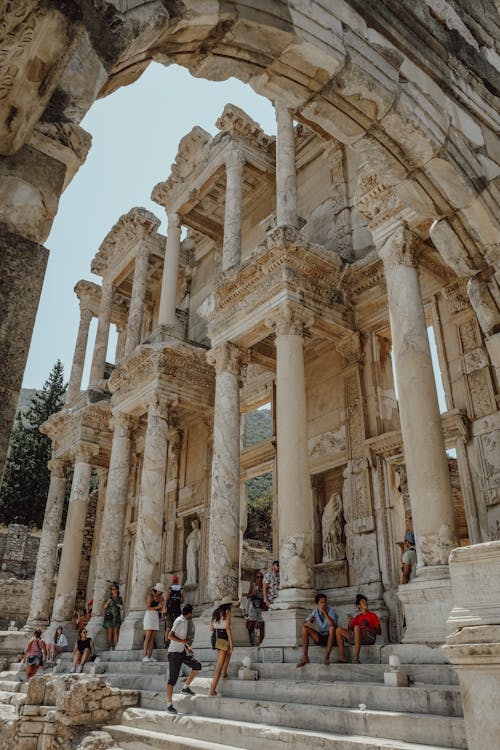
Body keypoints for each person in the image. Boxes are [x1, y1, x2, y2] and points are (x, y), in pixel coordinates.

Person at [166, 603, 201, 714]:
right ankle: (169, 705)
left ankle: (185, 687)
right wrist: (183, 642)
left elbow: (182, 638)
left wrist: (187, 646)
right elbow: (170, 635)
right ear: (190, 613)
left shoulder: (185, 621)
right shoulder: (179, 621)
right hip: (174, 654)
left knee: (197, 666)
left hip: (181, 652)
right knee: (172, 680)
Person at [335, 594, 381, 664]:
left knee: (357, 627)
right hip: (358, 638)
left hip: (369, 638)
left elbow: (379, 632)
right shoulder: (357, 617)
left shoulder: (372, 615)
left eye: (365, 601)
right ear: (358, 606)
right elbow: (351, 631)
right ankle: (342, 657)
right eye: (363, 602)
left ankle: (356, 658)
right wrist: (349, 624)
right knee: (338, 630)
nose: (365, 603)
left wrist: (367, 628)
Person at [296, 593, 338, 667]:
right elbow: (304, 624)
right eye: (321, 602)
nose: (324, 604)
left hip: (332, 638)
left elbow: (332, 624)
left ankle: (327, 657)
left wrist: (325, 613)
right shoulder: (315, 611)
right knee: (304, 629)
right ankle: (305, 657)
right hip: (321, 637)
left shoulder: (332, 610)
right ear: (317, 604)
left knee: (332, 628)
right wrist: (309, 622)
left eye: (325, 602)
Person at [209, 598, 233, 696]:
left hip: (215, 636)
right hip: (223, 637)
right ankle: (212, 690)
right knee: (219, 665)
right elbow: (227, 627)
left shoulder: (215, 612)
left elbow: (211, 628)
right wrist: (231, 642)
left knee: (228, 655)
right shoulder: (228, 611)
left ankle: (225, 673)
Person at [143, 582, 164, 662]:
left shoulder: (160, 598)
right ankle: (145, 656)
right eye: (158, 591)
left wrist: (162, 607)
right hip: (149, 616)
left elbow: (163, 604)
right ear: (155, 590)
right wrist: (158, 607)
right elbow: (148, 607)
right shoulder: (150, 596)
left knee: (152, 638)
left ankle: (150, 655)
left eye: (160, 591)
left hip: (155, 616)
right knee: (147, 637)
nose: (159, 592)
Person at [246, 571, 265, 645]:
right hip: (253, 605)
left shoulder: (264, 586)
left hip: (261, 606)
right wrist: (253, 593)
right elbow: (248, 596)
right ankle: (250, 641)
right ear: (255, 578)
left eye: (261, 577)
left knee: (262, 625)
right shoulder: (253, 586)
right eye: (258, 577)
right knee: (251, 624)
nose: (259, 578)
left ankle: (262, 642)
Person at [164, 575, 184, 646]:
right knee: (176, 627)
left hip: (170, 610)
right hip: (177, 610)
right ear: (178, 581)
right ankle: (175, 642)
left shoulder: (170, 589)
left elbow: (166, 599)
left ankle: (167, 642)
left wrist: (165, 607)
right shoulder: (181, 589)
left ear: (172, 581)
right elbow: (182, 600)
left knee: (168, 627)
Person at [103, 583, 123, 649]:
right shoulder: (109, 598)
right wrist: (109, 601)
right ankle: (110, 646)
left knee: (116, 631)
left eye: (114, 589)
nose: (113, 590)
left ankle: (116, 646)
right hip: (110, 616)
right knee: (110, 632)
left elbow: (121, 606)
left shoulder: (119, 598)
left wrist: (118, 605)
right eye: (112, 589)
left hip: (117, 616)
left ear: (117, 590)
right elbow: (104, 607)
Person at [185, 520, 201, 586]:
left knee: (194, 563)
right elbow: (186, 541)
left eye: (193, 524)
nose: (192, 526)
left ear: (196, 524)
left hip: (194, 549)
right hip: (189, 549)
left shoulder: (198, 531)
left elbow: (200, 541)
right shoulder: (192, 532)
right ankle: (189, 579)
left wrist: (194, 540)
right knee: (189, 564)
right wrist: (191, 538)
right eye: (192, 525)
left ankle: (194, 578)